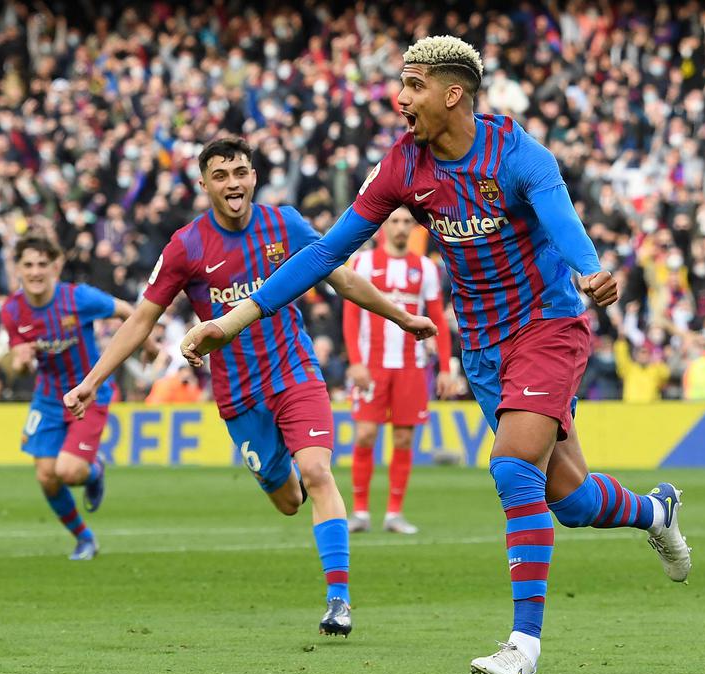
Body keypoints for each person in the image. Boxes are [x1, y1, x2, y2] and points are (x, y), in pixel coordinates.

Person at [179, 36, 690, 674]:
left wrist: (590, 268)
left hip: (546, 327)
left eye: (413, 85)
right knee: (569, 499)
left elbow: (561, 220)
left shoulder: (518, 155)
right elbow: (326, 252)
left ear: (452, 94)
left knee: (511, 468)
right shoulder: (401, 165)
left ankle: (522, 647)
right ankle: (656, 513)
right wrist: (233, 318)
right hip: (480, 348)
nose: (399, 98)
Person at [63, 137, 435, 637]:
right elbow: (141, 320)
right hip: (239, 396)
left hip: (294, 371)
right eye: (220, 176)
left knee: (318, 471)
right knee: (288, 500)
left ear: (254, 176)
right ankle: (294, 476)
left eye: (240, 172)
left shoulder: (285, 224)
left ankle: (339, 600)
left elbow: (343, 280)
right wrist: (91, 381)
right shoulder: (186, 246)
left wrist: (404, 318)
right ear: (204, 185)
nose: (233, 183)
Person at [2, 236, 138, 561]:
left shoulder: (78, 298)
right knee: (46, 476)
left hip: (87, 394)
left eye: (42, 264)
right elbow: (18, 367)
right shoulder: (12, 311)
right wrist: (18, 363)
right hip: (47, 400)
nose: (35, 272)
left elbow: (127, 311)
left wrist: (145, 345)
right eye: (28, 265)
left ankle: (95, 471)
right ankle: (84, 538)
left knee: (69, 472)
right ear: (18, 269)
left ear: (56, 266)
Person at [343, 206, 459, 535]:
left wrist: (446, 367)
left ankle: (394, 512)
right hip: (373, 364)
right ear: (383, 227)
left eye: (407, 221)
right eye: (394, 221)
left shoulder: (424, 268)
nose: (400, 227)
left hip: (411, 365)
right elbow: (351, 316)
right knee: (365, 434)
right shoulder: (363, 263)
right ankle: (361, 511)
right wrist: (355, 361)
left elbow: (437, 319)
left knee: (405, 439)